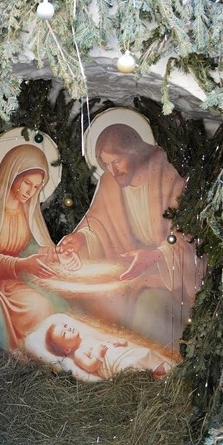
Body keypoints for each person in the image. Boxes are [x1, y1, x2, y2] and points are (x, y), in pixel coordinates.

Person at [57, 122, 205, 345]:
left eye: (117, 161)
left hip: (169, 277)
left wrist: (155, 256)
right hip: (128, 273)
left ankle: (146, 359)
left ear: (135, 152)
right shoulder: (110, 181)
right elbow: (98, 223)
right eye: (107, 164)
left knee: (148, 307)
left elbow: (189, 231)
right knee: (88, 300)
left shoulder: (168, 174)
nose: (113, 171)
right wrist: (81, 238)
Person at [0, 144, 72, 350]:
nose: (30, 192)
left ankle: (34, 358)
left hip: (15, 283)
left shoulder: (26, 210)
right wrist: (20, 265)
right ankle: (2, 361)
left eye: (36, 187)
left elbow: (27, 246)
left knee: (43, 305)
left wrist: (46, 253)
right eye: (27, 183)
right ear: (12, 175)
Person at [44, 315, 172, 380]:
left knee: (145, 353)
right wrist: (97, 355)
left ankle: (165, 371)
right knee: (131, 365)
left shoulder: (89, 338)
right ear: (66, 349)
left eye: (66, 326)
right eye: (64, 333)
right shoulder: (78, 353)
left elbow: (106, 342)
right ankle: (154, 378)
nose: (68, 329)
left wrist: (117, 342)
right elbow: (90, 366)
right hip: (115, 364)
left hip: (122, 353)